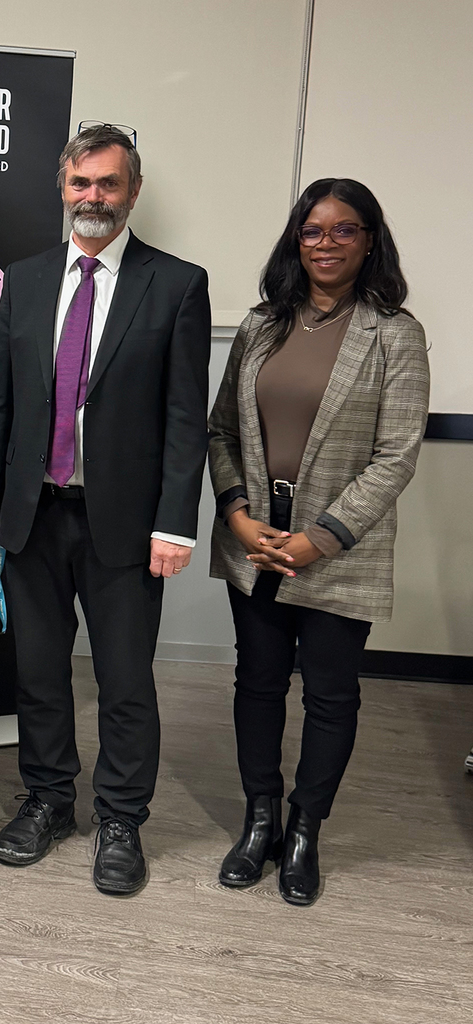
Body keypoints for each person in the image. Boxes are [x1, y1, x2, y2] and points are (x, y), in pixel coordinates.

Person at [0, 123, 211, 895]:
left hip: (127, 526)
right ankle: (47, 800)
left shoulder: (175, 284)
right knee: (38, 674)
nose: (94, 197)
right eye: (81, 183)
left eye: (109, 183)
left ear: (133, 192)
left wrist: (175, 522)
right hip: (32, 515)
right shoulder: (26, 279)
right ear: (62, 188)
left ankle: (122, 819)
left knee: (125, 678)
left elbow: (183, 418)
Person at [208, 178, 430, 905]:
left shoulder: (395, 332)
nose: (326, 243)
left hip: (339, 551)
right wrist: (238, 513)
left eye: (344, 230)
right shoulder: (262, 323)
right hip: (257, 541)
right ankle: (259, 819)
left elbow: (396, 453)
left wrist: (321, 538)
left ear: (370, 240)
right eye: (312, 230)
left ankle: (305, 831)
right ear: (294, 240)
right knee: (258, 684)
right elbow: (220, 432)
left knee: (331, 697)